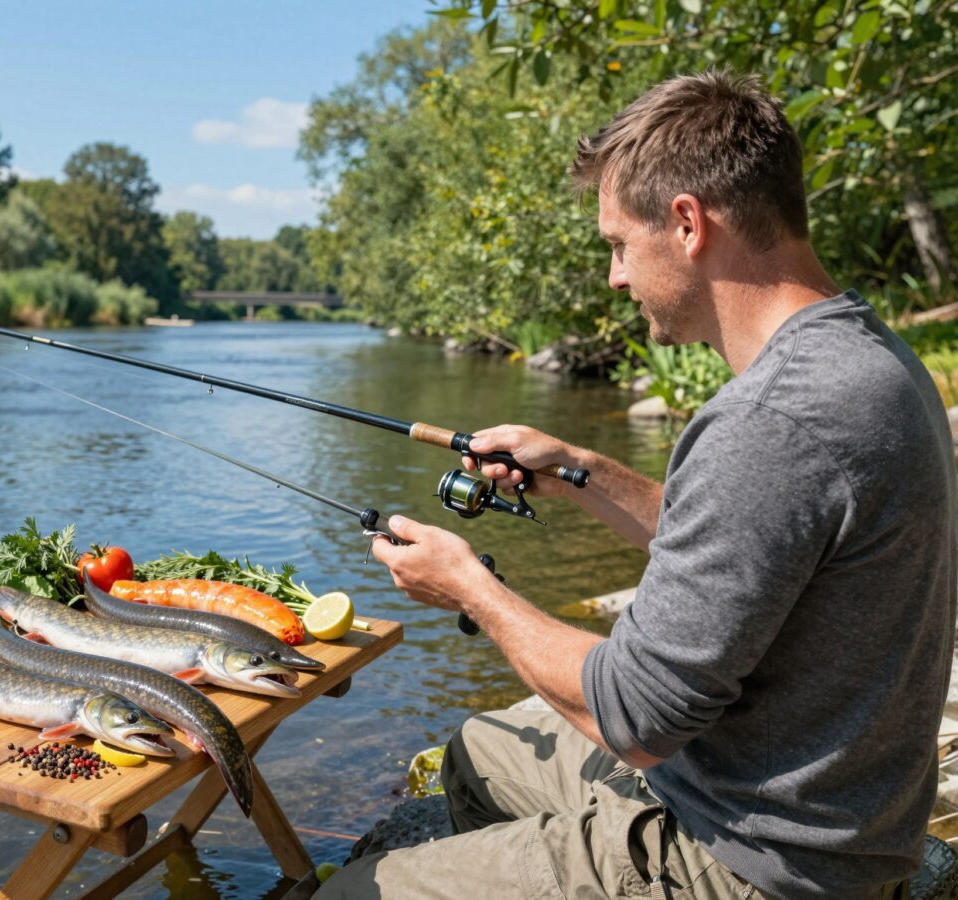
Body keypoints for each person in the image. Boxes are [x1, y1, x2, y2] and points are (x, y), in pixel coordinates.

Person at [316, 70, 957, 899]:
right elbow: (750, 547)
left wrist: (468, 586)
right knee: (477, 754)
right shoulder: (869, 356)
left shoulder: (771, 421)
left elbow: (633, 714)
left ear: (688, 223)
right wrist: (581, 471)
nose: (615, 277)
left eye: (619, 244)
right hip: (818, 808)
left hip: (759, 861)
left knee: (346, 893)